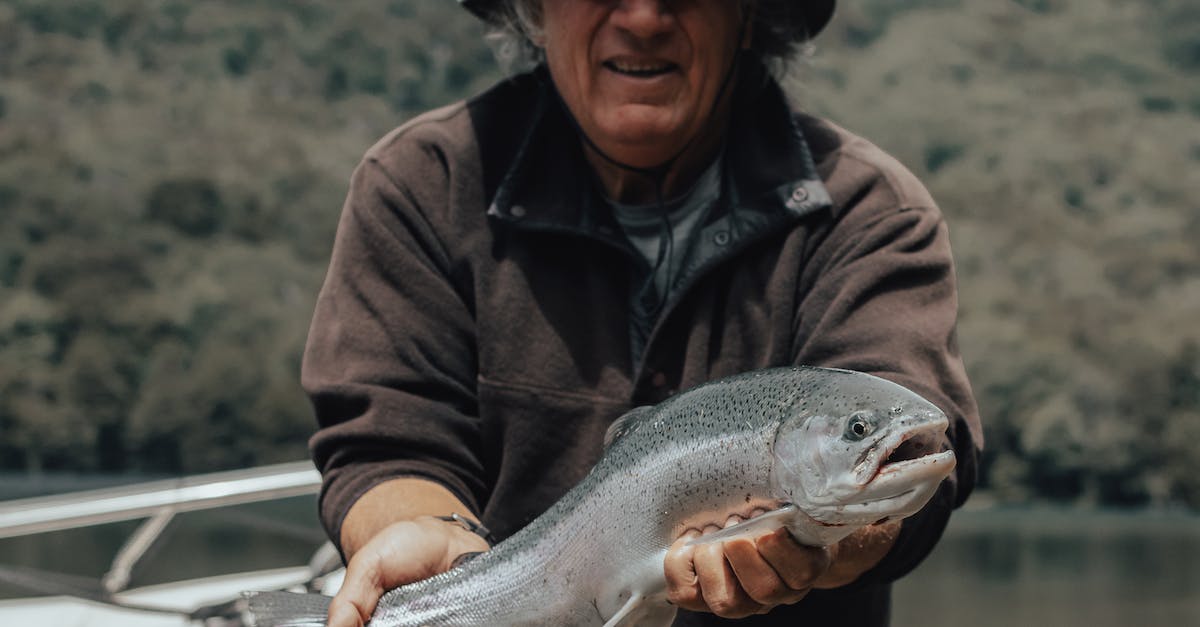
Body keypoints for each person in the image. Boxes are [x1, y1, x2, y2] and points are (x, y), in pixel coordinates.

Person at [301, 0, 983, 625]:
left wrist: (829, 542)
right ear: (534, 10)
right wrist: (433, 532)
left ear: (749, 14)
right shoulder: (422, 188)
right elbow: (387, 442)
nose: (645, 16)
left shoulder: (872, 214)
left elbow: (918, 440)